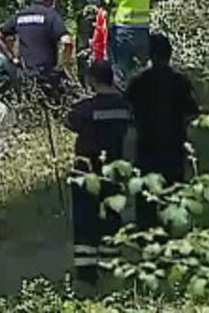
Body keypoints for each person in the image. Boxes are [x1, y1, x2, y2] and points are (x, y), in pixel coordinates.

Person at [65, 59, 132, 285]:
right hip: (115, 171)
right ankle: (110, 268)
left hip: (86, 171)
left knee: (85, 223)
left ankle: (86, 276)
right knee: (111, 220)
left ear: (92, 80)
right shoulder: (125, 106)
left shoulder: (87, 108)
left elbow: (70, 120)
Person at [126, 33, 199, 229]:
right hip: (173, 145)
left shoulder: (138, 82)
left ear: (150, 54)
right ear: (170, 53)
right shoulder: (180, 81)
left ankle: (146, 232)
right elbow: (193, 112)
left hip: (147, 145)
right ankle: (172, 230)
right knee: (173, 191)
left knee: (146, 193)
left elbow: (128, 112)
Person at [0, 0, 74, 94]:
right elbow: (67, 42)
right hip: (47, 75)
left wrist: (12, 58)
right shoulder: (50, 16)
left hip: (25, 75)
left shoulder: (20, 15)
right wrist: (64, 66)